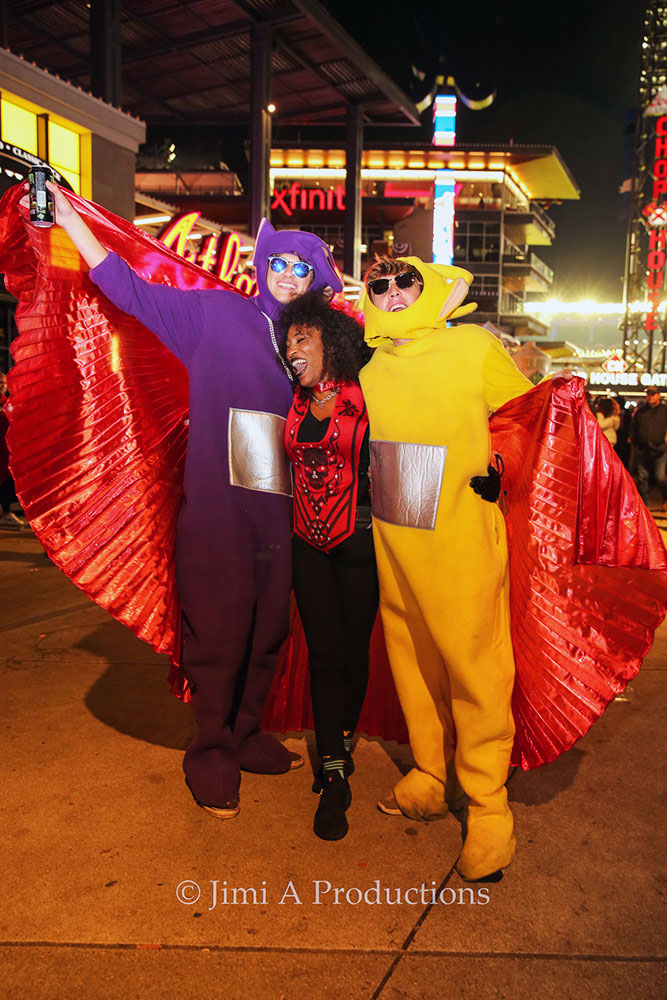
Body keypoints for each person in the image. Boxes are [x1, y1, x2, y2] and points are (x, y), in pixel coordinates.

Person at [17, 180, 343, 820]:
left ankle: (246, 732)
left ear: (312, 281)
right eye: (277, 261)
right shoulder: (217, 313)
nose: (284, 274)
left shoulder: (314, 345)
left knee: (268, 628)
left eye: (299, 267)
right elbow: (125, 287)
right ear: (262, 266)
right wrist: (67, 219)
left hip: (281, 511)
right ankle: (212, 748)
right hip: (217, 512)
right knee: (217, 632)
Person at [360, 254, 533, 881]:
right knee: (412, 658)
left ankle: (489, 804)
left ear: (429, 286)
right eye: (379, 284)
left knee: (474, 663)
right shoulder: (367, 365)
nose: (393, 291)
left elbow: (530, 421)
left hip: (461, 535)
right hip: (394, 534)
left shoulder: (471, 348)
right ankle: (432, 772)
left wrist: (503, 468)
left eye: (406, 280)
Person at [279, 290, 376, 841]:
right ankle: (335, 773)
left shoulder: (368, 394)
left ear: (331, 343)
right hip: (305, 543)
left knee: (354, 654)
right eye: (289, 339)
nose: (293, 347)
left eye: (304, 337)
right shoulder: (292, 400)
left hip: (358, 542)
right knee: (324, 654)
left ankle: (340, 742)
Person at [630, 385, 667, 509]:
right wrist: (634, 441)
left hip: (659, 449)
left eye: (652, 394)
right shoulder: (641, 411)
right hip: (642, 448)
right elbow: (634, 426)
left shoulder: (664, 410)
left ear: (659, 396)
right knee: (642, 477)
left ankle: (665, 498)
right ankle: (645, 504)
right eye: (648, 394)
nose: (649, 396)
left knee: (660, 477)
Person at [0, 371, 27, 530]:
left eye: (3, 383)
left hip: (7, 451)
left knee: (8, 481)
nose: (2, 386)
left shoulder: (7, 403)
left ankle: (6, 512)